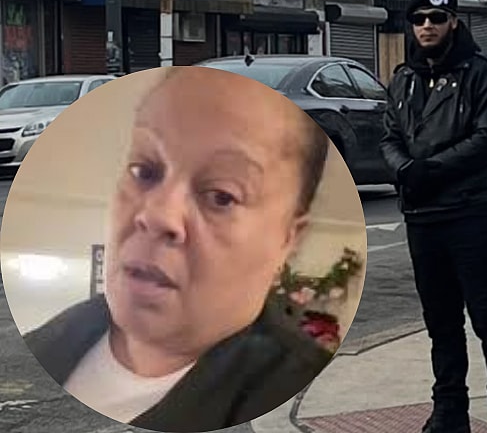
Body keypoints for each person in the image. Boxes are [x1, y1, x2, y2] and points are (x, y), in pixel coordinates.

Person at [24, 66, 334, 432]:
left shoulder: (279, 379)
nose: (157, 216)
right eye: (144, 170)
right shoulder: (52, 341)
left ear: (288, 238)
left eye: (221, 196)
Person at [380, 0, 487, 433]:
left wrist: (433, 169)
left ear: (453, 23)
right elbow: (389, 135)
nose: (427, 26)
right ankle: (449, 410)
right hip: (422, 215)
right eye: (420, 18)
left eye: (437, 18)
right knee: (440, 322)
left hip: (469, 211)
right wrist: (406, 169)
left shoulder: (481, 74)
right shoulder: (403, 78)